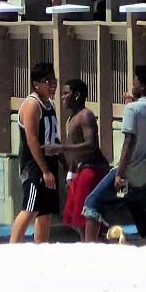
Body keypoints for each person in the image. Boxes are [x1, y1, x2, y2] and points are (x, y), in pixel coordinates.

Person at [82, 63, 146, 244]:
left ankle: (89, 247)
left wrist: (119, 173)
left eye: (135, 81)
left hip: (128, 171)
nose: (132, 84)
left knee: (92, 203)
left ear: (142, 85)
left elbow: (129, 141)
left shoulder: (132, 109)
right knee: (141, 212)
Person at [9, 61, 61, 246]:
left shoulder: (49, 103)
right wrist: (44, 170)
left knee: (46, 211)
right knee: (30, 207)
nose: (52, 85)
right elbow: (32, 139)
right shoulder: (32, 105)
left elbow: (52, 136)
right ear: (36, 84)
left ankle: (41, 247)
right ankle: (13, 245)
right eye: (47, 81)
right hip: (34, 165)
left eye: (53, 80)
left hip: (49, 162)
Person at [53, 78, 109, 233]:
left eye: (66, 93)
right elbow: (75, 151)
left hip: (92, 169)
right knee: (74, 219)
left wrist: (62, 148)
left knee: (85, 217)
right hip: (80, 169)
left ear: (77, 95)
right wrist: (70, 173)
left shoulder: (85, 115)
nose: (62, 97)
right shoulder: (71, 118)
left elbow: (91, 145)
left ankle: (91, 246)